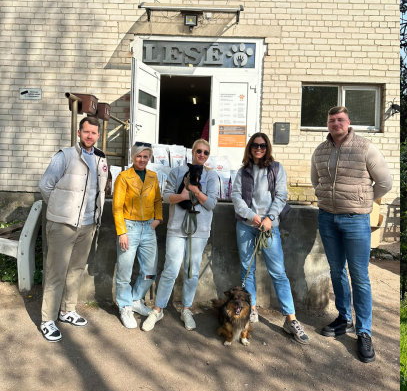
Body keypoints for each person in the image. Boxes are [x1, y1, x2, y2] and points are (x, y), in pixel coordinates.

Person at [310, 106, 392, 363]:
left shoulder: (365, 147)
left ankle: (364, 332)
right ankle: (344, 318)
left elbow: (385, 183)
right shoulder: (320, 150)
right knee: (336, 271)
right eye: (332, 120)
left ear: (349, 122)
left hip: (356, 221)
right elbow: (316, 181)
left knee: (359, 275)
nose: (336, 123)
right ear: (327, 123)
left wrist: (363, 200)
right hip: (327, 218)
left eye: (340, 120)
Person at [231, 132, 310, 345]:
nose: (259, 148)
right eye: (255, 145)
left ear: (267, 148)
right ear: (250, 148)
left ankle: (290, 319)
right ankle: (253, 307)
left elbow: (281, 196)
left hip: (269, 227)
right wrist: (253, 216)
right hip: (247, 226)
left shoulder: (276, 169)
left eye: (263, 145)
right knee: (247, 269)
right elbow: (236, 197)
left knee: (278, 272)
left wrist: (269, 218)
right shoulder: (243, 172)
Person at [38, 116, 109, 342]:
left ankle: (67, 310)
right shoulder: (65, 156)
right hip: (63, 225)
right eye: (86, 132)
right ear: (79, 133)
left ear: (98, 136)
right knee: (56, 272)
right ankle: (47, 320)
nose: (90, 136)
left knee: (76, 270)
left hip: (88, 224)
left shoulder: (101, 158)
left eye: (94, 133)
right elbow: (45, 185)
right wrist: (60, 211)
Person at [142, 139, 219, 332]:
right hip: (177, 227)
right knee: (171, 268)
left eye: (205, 153)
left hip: (199, 230)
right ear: (192, 152)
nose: (201, 155)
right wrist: (184, 196)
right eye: (198, 151)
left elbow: (211, 204)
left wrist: (194, 190)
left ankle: (186, 309)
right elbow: (166, 197)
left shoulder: (211, 176)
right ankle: (158, 308)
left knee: (192, 270)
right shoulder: (176, 172)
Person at [113, 142, 162, 328]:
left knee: (150, 271)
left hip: (149, 228)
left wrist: (158, 219)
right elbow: (117, 207)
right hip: (130, 226)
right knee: (124, 271)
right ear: (132, 157)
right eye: (139, 156)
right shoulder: (124, 177)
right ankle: (125, 306)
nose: (142, 159)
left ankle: (136, 300)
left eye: (145, 156)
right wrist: (122, 231)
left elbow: (158, 200)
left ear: (149, 158)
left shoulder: (153, 176)